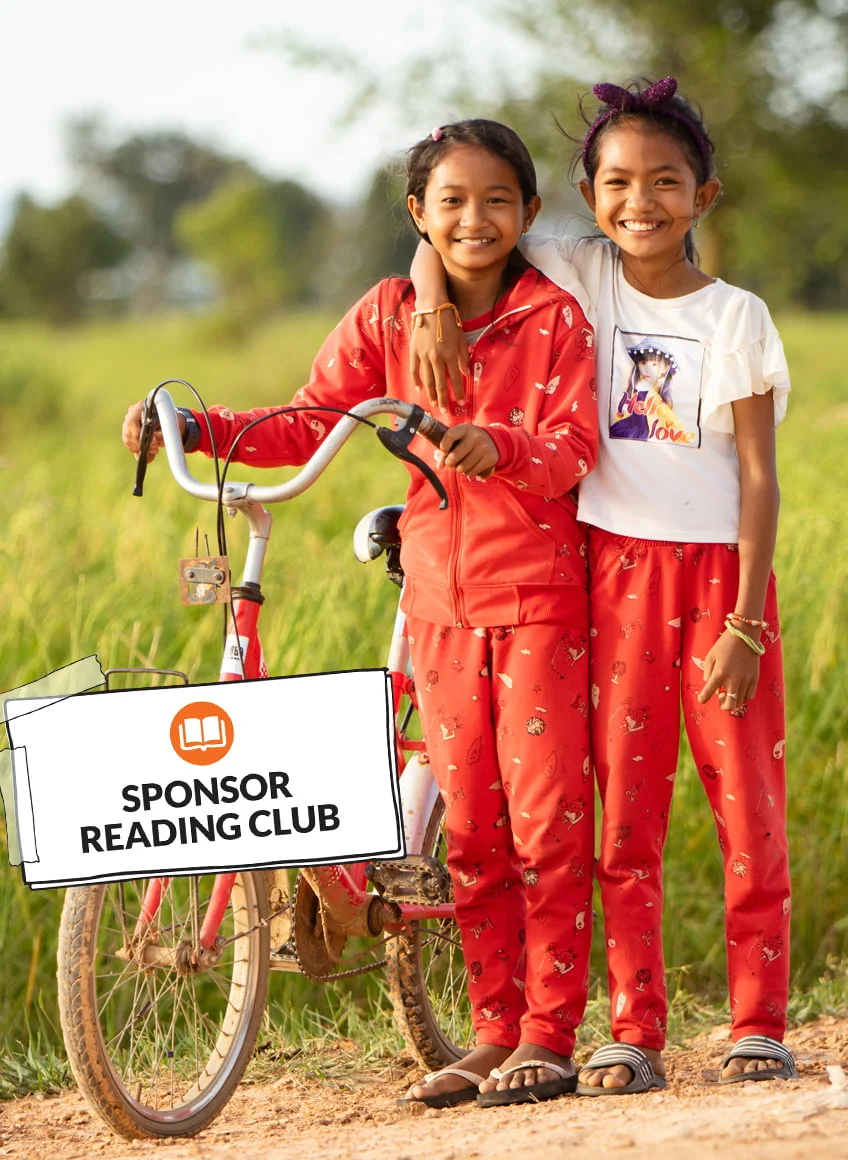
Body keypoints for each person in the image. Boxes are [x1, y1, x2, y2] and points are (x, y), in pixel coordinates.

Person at [123, 119, 599, 1108]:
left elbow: (571, 445)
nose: (475, 219)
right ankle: (491, 1031)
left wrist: (499, 446)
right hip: (437, 591)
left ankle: (548, 1033)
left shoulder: (551, 319)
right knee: (467, 825)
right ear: (417, 215)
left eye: (497, 201)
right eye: (452, 202)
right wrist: (193, 425)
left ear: (528, 214)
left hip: (536, 594)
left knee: (544, 817)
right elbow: (311, 415)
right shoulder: (387, 314)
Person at [408, 78, 795, 1095]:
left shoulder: (735, 316)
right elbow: (453, 234)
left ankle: (757, 1018)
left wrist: (746, 621)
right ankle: (632, 1027)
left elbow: (757, 476)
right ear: (585, 192)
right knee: (622, 823)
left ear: (702, 195)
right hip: (609, 574)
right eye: (616, 182)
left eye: (663, 182)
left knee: (745, 810)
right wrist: (421, 298)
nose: (639, 203)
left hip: (720, 582)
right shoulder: (577, 268)